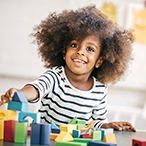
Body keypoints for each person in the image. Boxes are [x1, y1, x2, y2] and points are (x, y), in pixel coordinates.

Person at [0, 5, 136, 131]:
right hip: (48, 139)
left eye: (90, 49)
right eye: (74, 45)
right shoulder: (55, 77)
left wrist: (109, 125)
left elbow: (98, 122)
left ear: (99, 61)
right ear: (64, 52)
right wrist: (20, 94)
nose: (81, 52)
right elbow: (36, 89)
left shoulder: (100, 89)